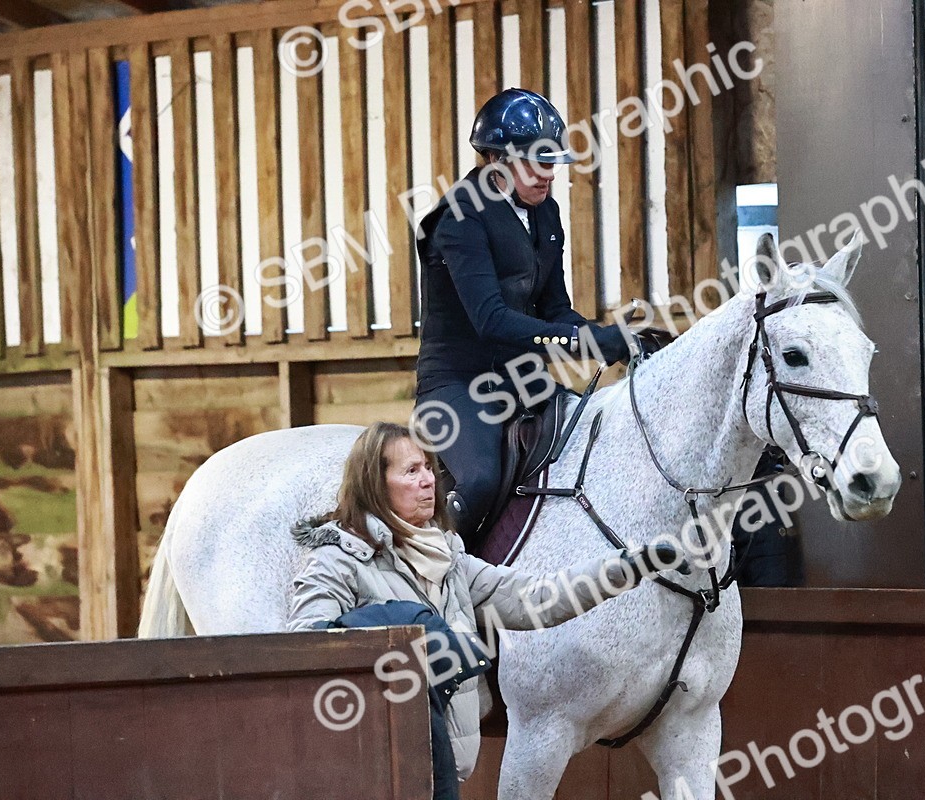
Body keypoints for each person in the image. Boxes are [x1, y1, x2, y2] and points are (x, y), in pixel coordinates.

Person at [286, 421, 686, 794]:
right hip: (366, 764)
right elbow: (304, 647)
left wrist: (630, 565)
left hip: (433, 763)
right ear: (374, 484)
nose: (429, 480)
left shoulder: (448, 557)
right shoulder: (337, 556)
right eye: (411, 472)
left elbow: (538, 599)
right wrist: (400, 626)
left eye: (429, 467)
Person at [414, 88, 633, 545]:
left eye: (553, 162)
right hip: (458, 384)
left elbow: (555, 310)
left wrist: (612, 337)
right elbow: (491, 320)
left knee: (591, 443)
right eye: (537, 162)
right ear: (495, 159)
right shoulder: (459, 217)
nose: (549, 174)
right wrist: (584, 345)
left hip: (523, 376)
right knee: (478, 479)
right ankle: (437, 576)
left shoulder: (546, 212)